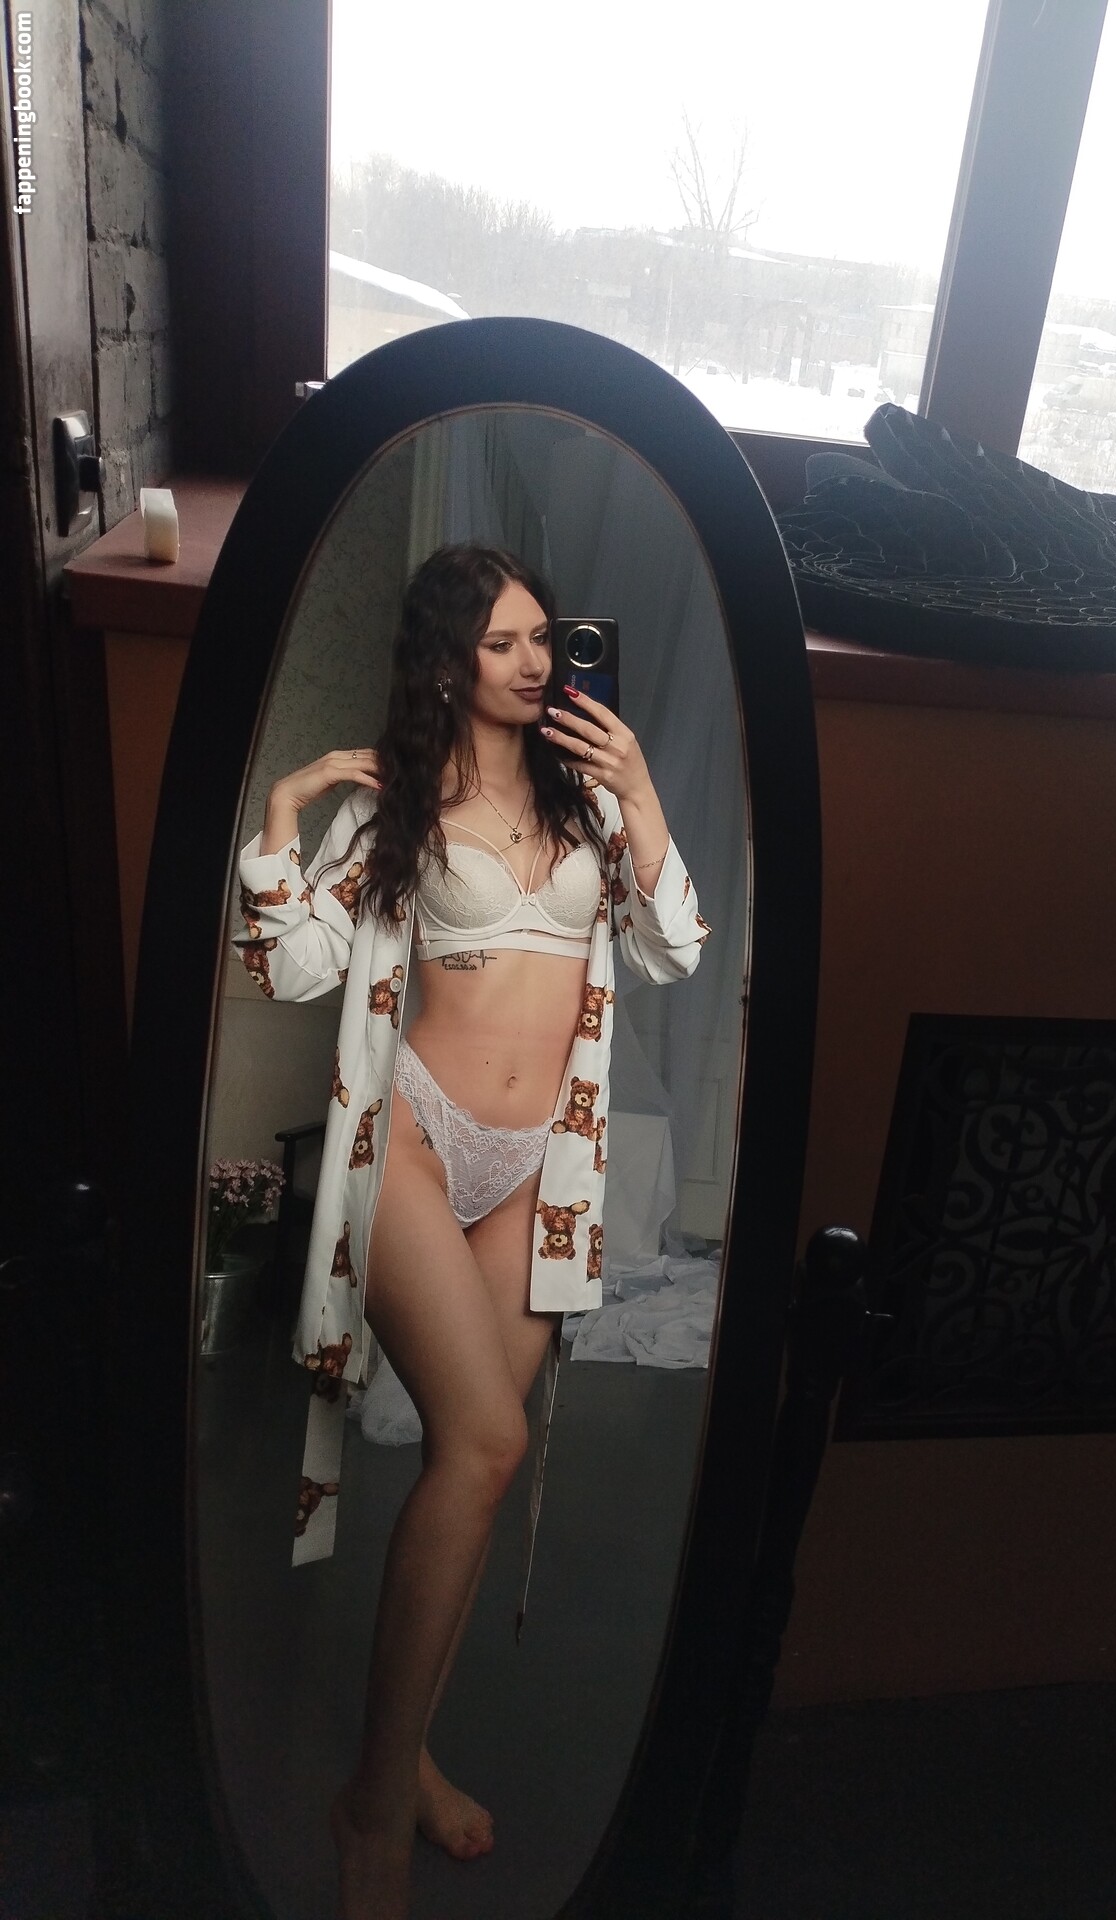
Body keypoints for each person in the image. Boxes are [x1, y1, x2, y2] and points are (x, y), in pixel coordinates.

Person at [232, 545, 708, 1920]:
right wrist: (282, 813)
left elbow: (673, 948)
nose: (534, 662)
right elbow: (287, 966)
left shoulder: (588, 799)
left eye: (543, 638)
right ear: (446, 662)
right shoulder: (391, 805)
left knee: (476, 1468)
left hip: (537, 1164)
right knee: (489, 1437)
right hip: (418, 1137)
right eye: (501, 643)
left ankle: (407, 1758)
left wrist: (642, 791)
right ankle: (373, 1809)